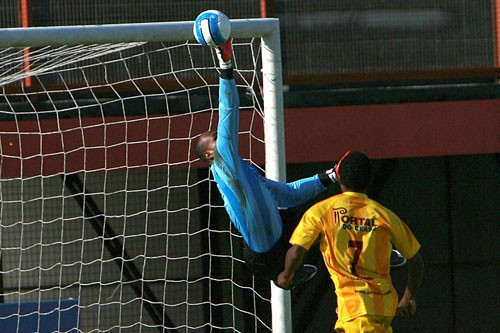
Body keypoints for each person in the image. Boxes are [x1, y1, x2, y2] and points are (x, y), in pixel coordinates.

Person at [194, 39, 339, 288]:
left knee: (329, 218)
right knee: (320, 226)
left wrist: (329, 177)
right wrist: (226, 65)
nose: (221, 136)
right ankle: (285, 274)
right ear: (209, 155)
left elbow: (287, 195)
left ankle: (364, 253)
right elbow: (227, 111)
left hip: (280, 236)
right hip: (262, 255)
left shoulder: (246, 173)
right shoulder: (221, 165)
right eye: (215, 138)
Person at [276, 151, 424, 332]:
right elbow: (416, 261)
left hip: (356, 309)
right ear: (368, 180)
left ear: (339, 178)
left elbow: (297, 251)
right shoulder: (384, 216)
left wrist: (286, 275)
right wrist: (409, 297)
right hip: (382, 307)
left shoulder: (321, 212)